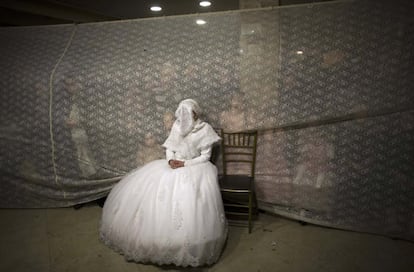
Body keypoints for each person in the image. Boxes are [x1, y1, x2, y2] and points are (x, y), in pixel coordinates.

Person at [99, 99, 227, 267]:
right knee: (156, 191)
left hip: (195, 167)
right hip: (175, 164)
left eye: (186, 114)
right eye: (180, 115)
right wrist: (170, 160)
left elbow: (205, 157)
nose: (182, 118)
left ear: (195, 114)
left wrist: (185, 164)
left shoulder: (205, 129)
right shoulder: (177, 126)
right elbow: (170, 147)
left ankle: (191, 243)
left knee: (191, 198)